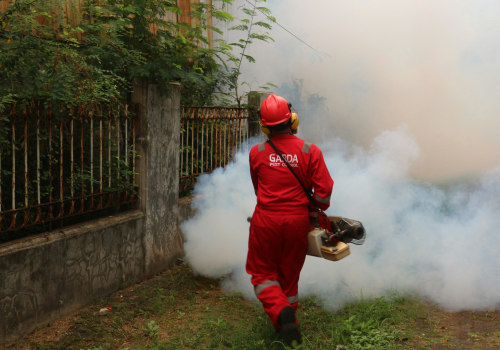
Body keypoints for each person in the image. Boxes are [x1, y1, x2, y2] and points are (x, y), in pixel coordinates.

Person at [246, 94, 334, 346]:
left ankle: (280, 314)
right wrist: (316, 207)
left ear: (264, 127)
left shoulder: (257, 152)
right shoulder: (310, 151)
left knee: (261, 273)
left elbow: (257, 187)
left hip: (265, 221)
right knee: (289, 275)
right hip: (297, 222)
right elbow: (325, 192)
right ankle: (288, 324)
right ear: (292, 120)